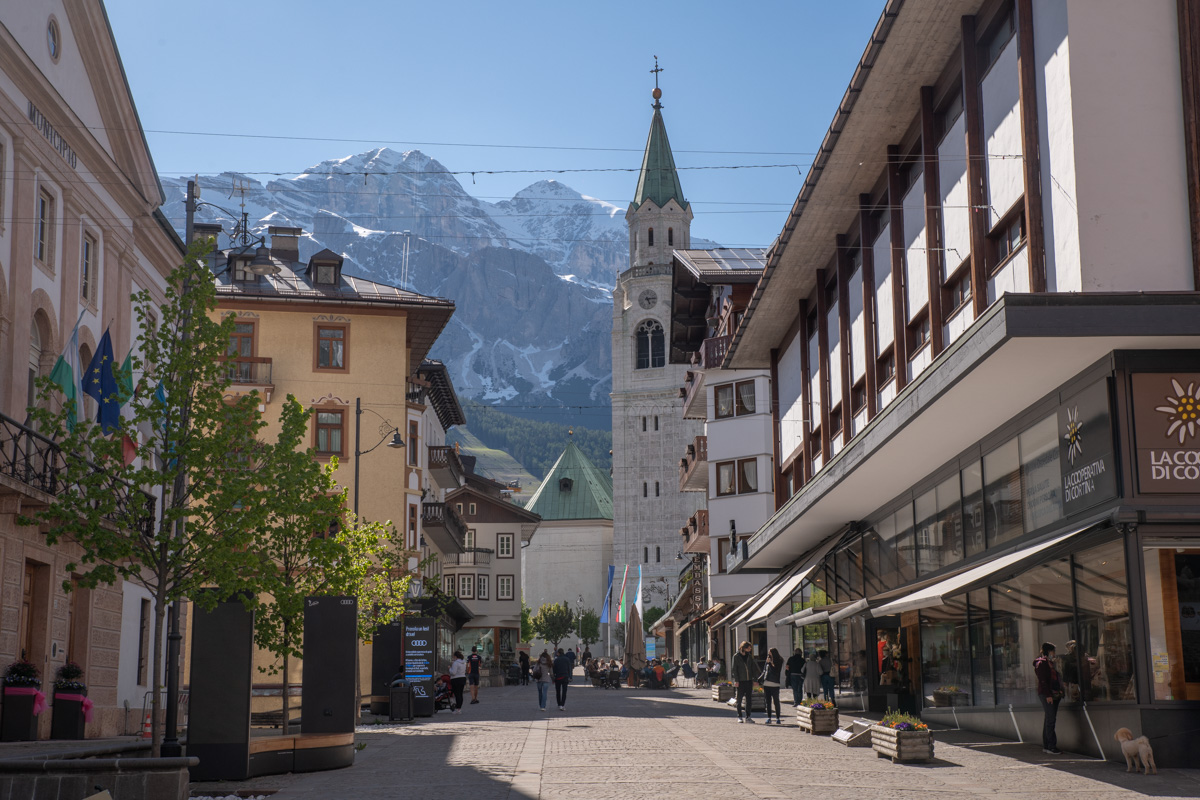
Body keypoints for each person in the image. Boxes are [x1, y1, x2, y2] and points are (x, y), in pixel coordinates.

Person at [1034, 642, 1065, 754]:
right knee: (1051, 719)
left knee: (1048, 719)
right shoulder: (1041, 663)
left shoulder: (1051, 663)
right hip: (1047, 694)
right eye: (1053, 651)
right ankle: (1051, 746)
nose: (1054, 653)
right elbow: (1043, 681)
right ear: (1048, 651)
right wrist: (1048, 695)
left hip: (1054, 694)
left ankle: (1047, 745)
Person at [732, 641, 760, 724]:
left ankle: (748, 717)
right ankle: (739, 716)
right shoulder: (736, 656)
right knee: (739, 699)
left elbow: (753, 668)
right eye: (749, 648)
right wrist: (736, 680)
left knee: (749, 700)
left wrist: (755, 679)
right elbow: (734, 669)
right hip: (740, 681)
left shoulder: (749, 656)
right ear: (744, 648)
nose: (750, 649)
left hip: (748, 681)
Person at [761, 648, 784, 724]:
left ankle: (778, 717)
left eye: (770, 654)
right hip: (767, 683)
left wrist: (770, 663)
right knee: (768, 701)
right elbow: (764, 670)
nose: (769, 655)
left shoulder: (779, 660)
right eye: (768, 654)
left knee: (776, 701)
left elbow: (776, 671)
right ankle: (769, 717)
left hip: (775, 683)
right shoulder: (768, 660)